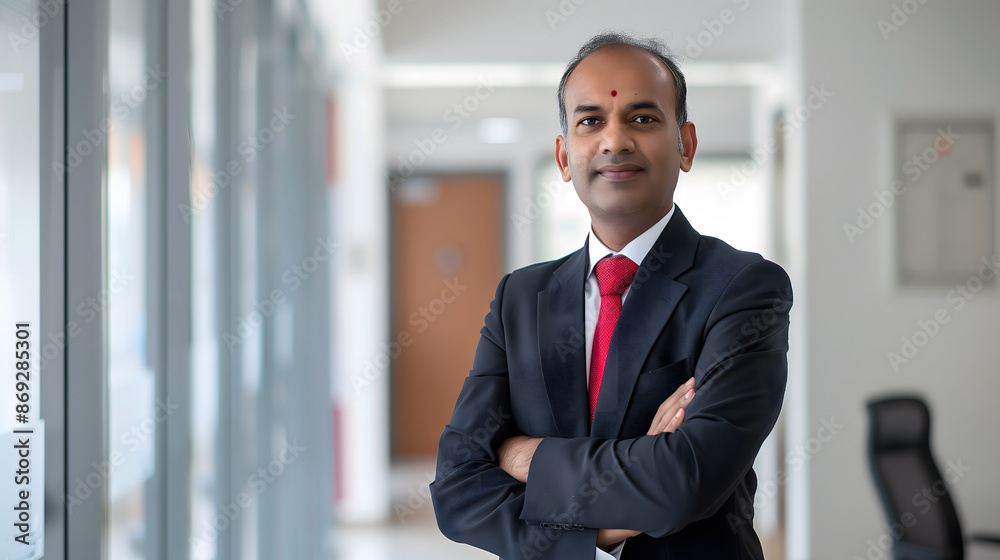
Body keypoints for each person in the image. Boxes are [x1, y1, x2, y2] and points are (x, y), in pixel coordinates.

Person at [430, 31, 792, 559]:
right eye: (590, 121)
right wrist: (598, 533)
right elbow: (457, 490)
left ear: (685, 144)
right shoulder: (520, 298)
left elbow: (684, 482)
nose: (614, 141)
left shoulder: (742, 287)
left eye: (643, 119)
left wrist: (526, 457)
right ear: (562, 155)